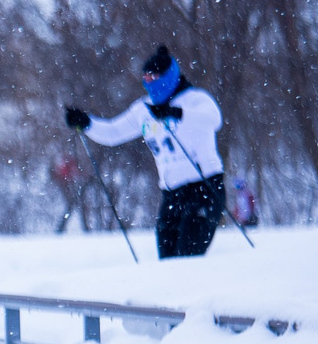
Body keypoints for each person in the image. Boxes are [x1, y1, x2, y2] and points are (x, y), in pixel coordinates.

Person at [66, 45, 226, 259]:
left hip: (204, 189)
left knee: (188, 259)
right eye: (146, 78)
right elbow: (114, 132)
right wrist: (86, 123)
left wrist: (175, 113)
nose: (149, 82)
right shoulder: (145, 109)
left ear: (168, 76)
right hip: (172, 195)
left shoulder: (195, 99)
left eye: (154, 77)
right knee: (168, 263)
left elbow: (214, 120)